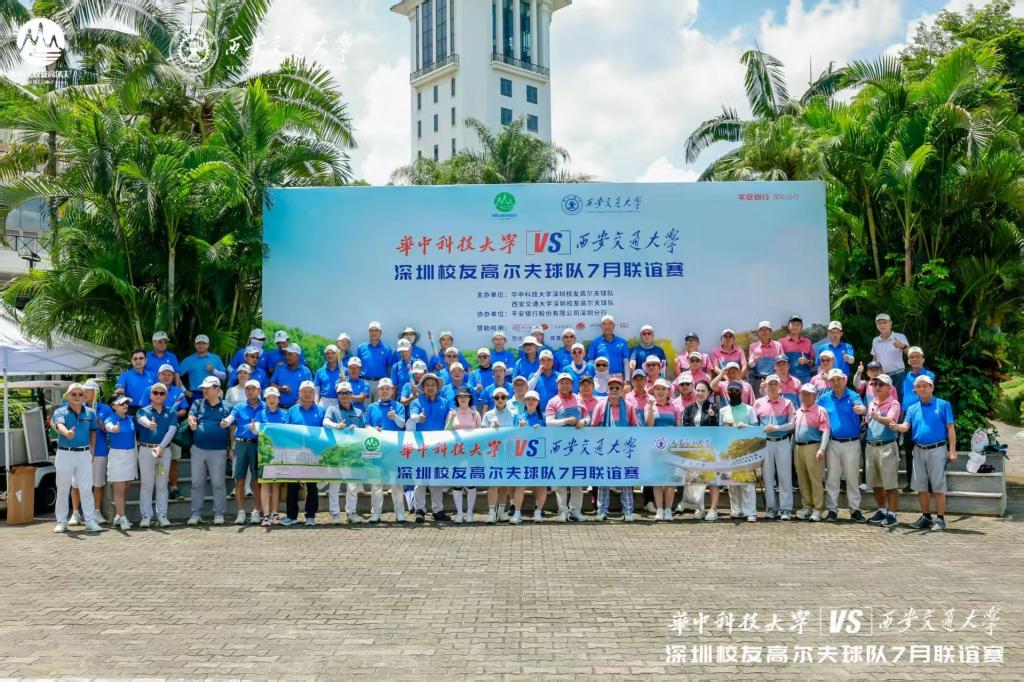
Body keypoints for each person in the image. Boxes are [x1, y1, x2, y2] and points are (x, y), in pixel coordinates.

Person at [894, 375, 956, 531]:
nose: (921, 389)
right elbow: (905, 426)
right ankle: (926, 517)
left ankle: (940, 518)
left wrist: (952, 451)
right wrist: (895, 426)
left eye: (925, 385)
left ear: (932, 387)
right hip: (918, 450)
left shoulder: (943, 405)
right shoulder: (912, 408)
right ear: (915, 390)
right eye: (918, 386)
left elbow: (950, 428)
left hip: (937, 449)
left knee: (938, 485)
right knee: (921, 486)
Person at [817, 368, 867, 522]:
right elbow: (815, 411)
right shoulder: (824, 398)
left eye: (839, 379)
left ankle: (855, 510)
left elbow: (862, 408)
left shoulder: (853, 395)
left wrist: (862, 409)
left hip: (852, 442)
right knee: (832, 477)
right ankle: (832, 510)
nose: (836, 382)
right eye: (833, 380)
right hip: (832, 442)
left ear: (844, 380)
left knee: (852, 477)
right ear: (829, 382)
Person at [52, 383, 102, 533]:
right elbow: (59, 425)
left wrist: (92, 447)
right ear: (67, 396)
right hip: (64, 453)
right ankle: (61, 521)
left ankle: (90, 521)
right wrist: (67, 433)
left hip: (84, 454)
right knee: (63, 489)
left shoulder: (90, 413)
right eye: (74, 394)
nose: (77, 397)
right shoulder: (60, 411)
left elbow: (93, 430)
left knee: (86, 488)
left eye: (80, 394)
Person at [591, 375, 639, 522]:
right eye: (611, 387)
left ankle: (628, 511)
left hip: (624, 449)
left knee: (626, 480)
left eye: (617, 388)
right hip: (605, 449)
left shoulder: (629, 406)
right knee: (604, 480)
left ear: (622, 390)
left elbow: (634, 426)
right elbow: (594, 427)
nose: (614, 390)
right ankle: (602, 511)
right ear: (607, 389)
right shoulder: (600, 406)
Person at [186, 376, 232, 525]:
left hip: (219, 451)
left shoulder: (228, 406)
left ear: (217, 389)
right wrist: (192, 423)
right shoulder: (197, 403)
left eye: (208, 388)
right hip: (198, 449)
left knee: (218, 483)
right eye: (203, 388)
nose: (204, 391)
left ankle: (219, 513)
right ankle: (195, 514)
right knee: (196, 483)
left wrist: (231, 448)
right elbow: (191, 417)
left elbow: (232, 429)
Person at [545, 373, 591, 522]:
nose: (564, 385)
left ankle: (575, 511)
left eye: (567, 383)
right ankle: (562, 512)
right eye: (562, 383)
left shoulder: (579, 399)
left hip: (577, 446)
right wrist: (566, 421)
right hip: (560, 446)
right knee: (561, 481)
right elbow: (548, 422)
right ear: (557, 385)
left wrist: (583, 422)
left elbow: (587, 416)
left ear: (572, 385)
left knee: (577, 480)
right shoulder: (553, 401)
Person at [407, 373, 452, 523]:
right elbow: (412, 415)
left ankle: (438, 510)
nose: (430, 388)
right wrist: (417, 418)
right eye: (427, 385)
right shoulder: (416, 402)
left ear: (437, 387)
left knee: (436, 479)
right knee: (420, 479)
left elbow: (450, 419)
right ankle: (419, 510)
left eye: (433, 385)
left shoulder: (445, 402)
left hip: (439, 446)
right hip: (421, 446)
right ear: (423, 387)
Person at [362, 379, 408, 522]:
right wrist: (373, 429)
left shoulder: (399, 406)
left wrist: (395, 417)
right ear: (378, 390)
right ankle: (375, 513)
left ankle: (400, 513)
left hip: (394, 449)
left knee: (396, 482)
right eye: (382, 388)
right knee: (376, 482)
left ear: (392, 390)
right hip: (377, 449)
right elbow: (366, 425)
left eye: (388, 388)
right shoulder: (372, 407)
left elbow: (402, 424)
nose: (385, 391)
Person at [752, 375, 796, 520]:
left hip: (782, 441)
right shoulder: (758, 403)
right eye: (770, 384)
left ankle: (786, 509)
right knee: (768, 477)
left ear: (779, 387)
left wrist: (778, 427)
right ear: (765, 386)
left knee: (785, 476)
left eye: (775, 384)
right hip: (765, 443)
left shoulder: (787, 402)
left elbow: (792, 424)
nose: (772, 387)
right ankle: (771, 508)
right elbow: (754, 424)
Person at [221, 379, 264, 525]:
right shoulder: (239, 406)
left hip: (258, 445)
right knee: (239, 480)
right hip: (241, 445)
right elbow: (231, 417)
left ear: (259, 391)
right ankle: (241, 512)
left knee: (257, 481)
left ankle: (256, 511)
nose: (250, 391)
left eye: (253, 389)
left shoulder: (265, 407)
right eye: (247, 389)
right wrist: (226, 422)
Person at [136, 382, 179, 528]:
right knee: (146, 485)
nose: (158, 395)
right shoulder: (143, 411)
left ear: (166, 396)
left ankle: (162, 515)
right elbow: (141, 420)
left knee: (162, 485)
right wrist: (149, 424)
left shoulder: (171, 412)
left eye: (162, 393)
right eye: (155, 393)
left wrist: (161, 447)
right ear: (150, 395)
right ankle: (146, 516)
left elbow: (172, 430)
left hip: (163, 453)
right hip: (146, 451)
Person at [323, 382, 367, 524]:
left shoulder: (359, 412)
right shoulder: (332, 409)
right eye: (341, 393)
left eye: (347, 392)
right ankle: (335, 514)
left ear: (351, 394)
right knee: (335, 484)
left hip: (353, 453)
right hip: (336, 451)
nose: (344, 395)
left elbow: (365, 429)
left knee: (353, 485)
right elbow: (325, 422)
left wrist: (357, 429)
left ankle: (351, 513)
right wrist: (336, 425)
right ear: (337, 395)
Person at [283, 381, 326, 526]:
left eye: (310, 392)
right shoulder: (292, 410)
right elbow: (286, 430)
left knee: (312, 486)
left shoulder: (321, 411)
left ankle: (311, 516)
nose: (307, 394)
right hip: (294, 453)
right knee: (292, 486)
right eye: (304, 392)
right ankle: (291, 516)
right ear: (299, 393)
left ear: (314, 394)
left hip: (314, 453)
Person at [70, 380, 111, 526]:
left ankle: (96, 512)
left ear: (95, 393)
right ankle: (75, 513)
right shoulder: (76, 407)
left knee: (98, 483)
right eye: (84, 391)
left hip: (99, 450)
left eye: (88, 391)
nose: (85, 394)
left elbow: (107, 429)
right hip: (80, 450)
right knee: (76, 483)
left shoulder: (105, 409)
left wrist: (97, 420)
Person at [863, 374, 901, 528]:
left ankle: (892, 515)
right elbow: (868, 421)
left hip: (887, 446)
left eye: (881, 384)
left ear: (889, 388)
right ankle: (882, 511)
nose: (877, 387)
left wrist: (878, 417)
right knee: (875, 484)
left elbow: (891, 421)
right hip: (871, 446)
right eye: (875, 384)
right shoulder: (871, 402)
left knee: (890, 484)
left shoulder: (894, 403)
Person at [719, 381, 759, 522]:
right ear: (727, 392)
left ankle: (751, 512)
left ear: (741, 392)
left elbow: (756, 429)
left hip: (746, 449)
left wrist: (746, 426)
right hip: (729, 450)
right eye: (731, 391)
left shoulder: (749, 409)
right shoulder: (723, 411)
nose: (733, 393)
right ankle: (736, 509)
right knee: (732, 482)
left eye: (736, 391)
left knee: (747, 482)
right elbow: (719, 431)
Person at [680, 380, 719, 521]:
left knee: (712, 479)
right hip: (694, 449)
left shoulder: (714, 407)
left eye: (703, 390)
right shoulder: (689, 409)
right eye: (698, 390)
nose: (700, 393)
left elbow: (717, 429)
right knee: (697, 479)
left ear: (708, 393)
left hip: (710, 449)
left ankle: (713, 509)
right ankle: (699, 508)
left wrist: (712, 416)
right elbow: (685, 428)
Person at [482, 387, 522, 523]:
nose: (500, 400)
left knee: (505, 484)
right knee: (493, 483)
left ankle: (501, 512)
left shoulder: (514, 413)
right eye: (497, 397)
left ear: (507, 398)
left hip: (509, 452)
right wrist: (491, 430)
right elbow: (482, 434)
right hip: (493, 453)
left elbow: (517, 432)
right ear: (493, 399)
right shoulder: (488, 414)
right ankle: (491, 513)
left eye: (503, 397)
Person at [792, 384, 831, 521]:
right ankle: (807, 506)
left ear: (815, 396)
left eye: (809, 394)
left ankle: (818, 508)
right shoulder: (798, 411)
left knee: (815, 479)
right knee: (802, 478)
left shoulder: (820, 410)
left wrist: (822, 448)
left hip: (813, 446)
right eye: (803, 394)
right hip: (798, 447)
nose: (805, 397)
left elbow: (826, 430)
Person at [900, 346, 936, 493]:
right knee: (910, 450)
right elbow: (904, 396)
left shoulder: (929, 375)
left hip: (924, 414)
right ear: (908, 361)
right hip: (908, 416)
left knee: (926, 448)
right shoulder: (905, 376)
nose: (914, 359)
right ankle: (911, 482)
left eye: (917, 356)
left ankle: (931, 483)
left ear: (923, 359)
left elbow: (925, 393)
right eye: (911, 357)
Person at [645, 378, 681, 520]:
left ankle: (668, 510)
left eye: (663, 389)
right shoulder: (650, 405)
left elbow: (679, 426)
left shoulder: (674, 405)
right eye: (657, 388)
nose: (660, 391)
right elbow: (649, 425)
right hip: (655, 449)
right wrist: (650, 407)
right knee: (658, 479)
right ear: (653, 390)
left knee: (671, 480)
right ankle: (659, 509)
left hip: (671, 448)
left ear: (668, 391)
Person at [446, 387, 483, 523]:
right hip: (456, 452)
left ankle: (469, 513)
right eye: (460, 396)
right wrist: (451, 419)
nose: (463, 398)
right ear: (456, 399)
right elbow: (446, 431)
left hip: (472, 453)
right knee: (457, 483)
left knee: (471, 483)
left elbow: (480, 433)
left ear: (469, 398)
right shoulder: (452, 413)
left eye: (466, 396)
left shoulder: (475, 414)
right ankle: (459, 513)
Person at [255, 387, 289, 526]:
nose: (272, 400)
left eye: (274, 397)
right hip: (265, 453)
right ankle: (265, 515)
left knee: (276, 484)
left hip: (280, 452)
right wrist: (254, 429)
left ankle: (275, 513)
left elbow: (288, 432)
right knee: (265, 483)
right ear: (265, 399)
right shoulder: (260, 413)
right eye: (269, 397)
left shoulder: (285, 414)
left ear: (278, 399)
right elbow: (256, 430)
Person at [103, 396, 138, 530]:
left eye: (126, 403)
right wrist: (113, 428)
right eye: (122, 403)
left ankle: (118, 515)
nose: (125, 405)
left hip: (131, 455)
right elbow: (109, 426)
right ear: (114, 406)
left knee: (125, 489)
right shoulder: (110, 419)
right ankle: (123, 518)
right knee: (119, 490)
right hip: (117, 456)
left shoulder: (130, 419)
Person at [871, 313, 909, 396]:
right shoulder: (875, 340)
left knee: (899, 400)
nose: (882, 325)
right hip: (882, 377)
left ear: (890, 323)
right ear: (877, 326)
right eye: (879, 323)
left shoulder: (900, 336)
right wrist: (873, 374)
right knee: (884, 401)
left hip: (898, 375)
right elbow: (875, 359)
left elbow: (910, 354)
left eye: (884, 322)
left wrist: (902, 346)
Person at [179, 334, 227, 400]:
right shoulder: (188, 360)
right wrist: (184, 391)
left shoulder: (216, 358)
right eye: (198, 343)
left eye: (204, 343)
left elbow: (224, 377)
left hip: (213, 393)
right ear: (195, 345)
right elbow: (176, 375)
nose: (201, 346)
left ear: (208, 345)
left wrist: (214, 370)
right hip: (196, 394)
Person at [356, 321, 393, 399]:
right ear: (368, 332)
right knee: (365, 406)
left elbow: (390, 367)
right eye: (371, 331)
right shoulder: (361, 347)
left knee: (379, 405)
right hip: (364, 382)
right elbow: (357, 366)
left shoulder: (387, 349)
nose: (374, 333)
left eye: (376, 330)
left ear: (380, 333)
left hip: (381, 383)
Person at [271, 343, 312, 410]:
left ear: (297, 356)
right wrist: (280, 388)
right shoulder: (280, 368)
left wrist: (301, 400)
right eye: (286, 354)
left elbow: (310, 390)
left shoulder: (306, 371)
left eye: (290, 354)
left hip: (298, 409)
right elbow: (271, 384)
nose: (287, 357)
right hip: (279, 409)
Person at [747, 321, 784, 396]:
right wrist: (754, 360)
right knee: (760, 402)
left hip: (774, 380)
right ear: (758, 333)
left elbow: (782, 363)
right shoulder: (753, 346)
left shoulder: (778, 345)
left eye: (767, 329)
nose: (764, 332)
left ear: (770, 332)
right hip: (758, 381)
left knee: (774, 401)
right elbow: (751, 365)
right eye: (762, 330)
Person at [779, 315, 814, 383]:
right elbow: (777, 363)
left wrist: (807, 361)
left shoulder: (808, 342)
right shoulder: (781, 342)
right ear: (788, 326)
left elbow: (813, 364)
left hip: (805, 380)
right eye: (793, 324)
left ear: (802, 327)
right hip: (787, 380)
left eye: (798, 324)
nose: (795, 327)